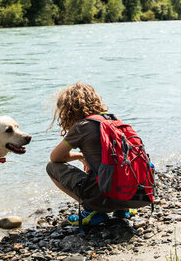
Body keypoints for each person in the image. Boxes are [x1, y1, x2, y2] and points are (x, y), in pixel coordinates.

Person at [45, 82, 129, 225]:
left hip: (107, 197)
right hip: (131, 194)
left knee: (51, 167)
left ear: (69, 109)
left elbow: (55, 157)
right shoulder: (113, 120)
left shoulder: (82, 127)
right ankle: (122, 209)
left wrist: (80, 156)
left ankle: (92, 210)